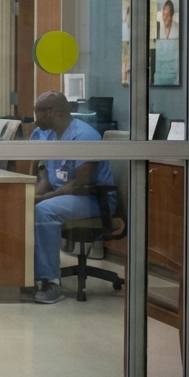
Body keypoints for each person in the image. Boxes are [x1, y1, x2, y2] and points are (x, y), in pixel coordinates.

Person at [29, 91, 117, 305]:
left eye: (37, 113)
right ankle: (25, 276)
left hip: (94, 199)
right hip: (65, 196)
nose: (35, 119)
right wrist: (34, 195)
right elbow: (49, 177)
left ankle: (50, 282)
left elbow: (81, 185)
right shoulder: (50, 135)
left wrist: (43, 199)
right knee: (26, 204)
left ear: (50, 112)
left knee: (44, 210)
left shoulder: (84, 136)